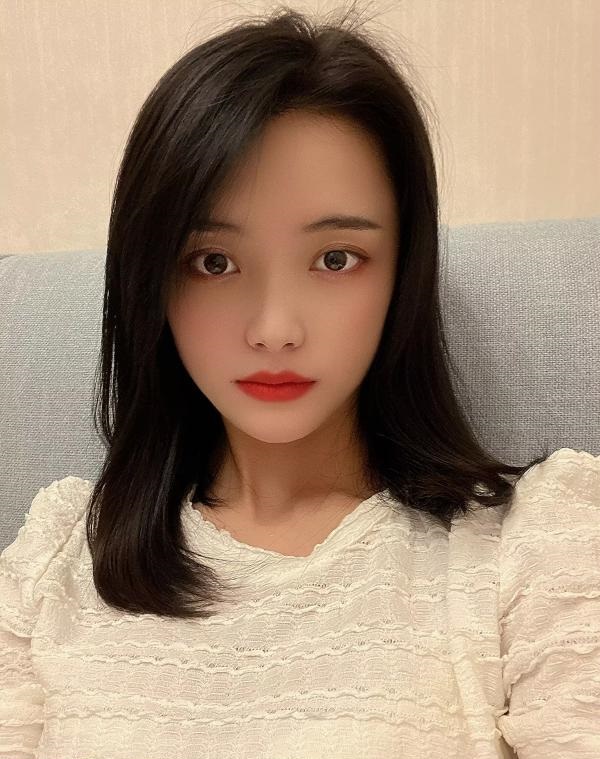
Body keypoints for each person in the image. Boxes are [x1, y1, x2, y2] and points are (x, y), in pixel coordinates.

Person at [1, 4, 598, 758]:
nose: (275, 328)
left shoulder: (532, 544)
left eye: (335, 259)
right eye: (213, 262)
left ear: (403, 273)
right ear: (150, 281)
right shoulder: (61, 552)